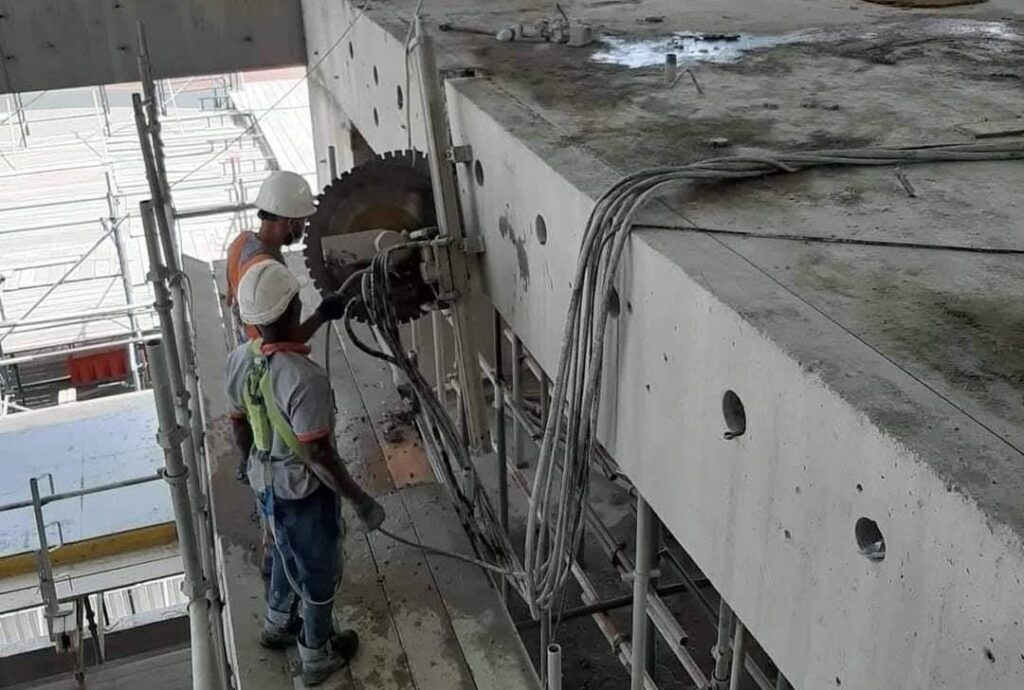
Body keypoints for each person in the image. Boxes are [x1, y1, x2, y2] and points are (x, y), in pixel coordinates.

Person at [225, 259, 386, 686]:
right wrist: (360, 500)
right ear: (294, 307)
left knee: (283, 548)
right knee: (318, 572)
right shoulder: (306, 381)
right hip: (303, 494)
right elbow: (320, 455)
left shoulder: (240, 360)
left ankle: (278, 622)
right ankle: (316, 654)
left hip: (266, 483)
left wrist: (320, 317)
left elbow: (239, 423)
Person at [226, 170, 344, 344]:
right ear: (292, 223)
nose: (304, 227)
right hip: (265, 353)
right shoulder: (267, 273)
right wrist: (323, 313)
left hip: (245, 344)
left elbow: (230, 300)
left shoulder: (240, 242)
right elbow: (287, 342)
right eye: (303, 221)